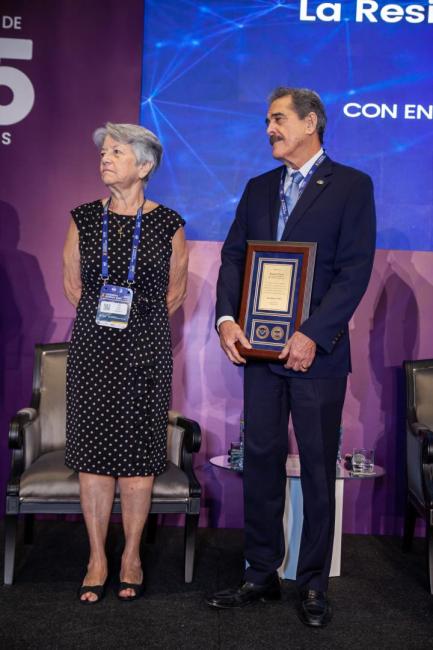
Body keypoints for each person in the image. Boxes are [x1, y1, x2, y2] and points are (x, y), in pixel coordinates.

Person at [207, 87, 376, 626]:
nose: (269, 129)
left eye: (278, 119)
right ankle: (260, 573)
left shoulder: (351, 185)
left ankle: (313, 584)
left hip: (317, 356)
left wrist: (311, 334)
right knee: (260, 461)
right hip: (260, 354)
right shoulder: (258, 188)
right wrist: (227, 319)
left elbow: (354, 270)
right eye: (267, 120)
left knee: (319, 467)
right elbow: (234, 258)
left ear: (310, 123)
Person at [63, 123, 188, 604]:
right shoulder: (82, 218)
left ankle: (131, 555)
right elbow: (73, 286)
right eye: (104, 152)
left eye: (117, 152)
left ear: (145, 165)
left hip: (146, 354)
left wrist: (138, 327)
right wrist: (107, 326)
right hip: (93, 351)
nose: (105, 159)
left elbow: (175, 292)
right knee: (93, 459)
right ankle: (97, 557)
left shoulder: (169, 223)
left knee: (138, 457)